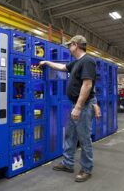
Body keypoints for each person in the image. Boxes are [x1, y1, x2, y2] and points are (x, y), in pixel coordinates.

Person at [39, 35, 98, 182]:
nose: (68, 47)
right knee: (70, 135)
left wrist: (78, 107)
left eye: (69, 45)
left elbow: (87, 85)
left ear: (76, 45)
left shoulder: (88, 61)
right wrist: (46, 62)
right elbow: (62, 67)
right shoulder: (76, 62)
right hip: (75, 105)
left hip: (82, 106)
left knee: (84, 138)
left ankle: (86, 169)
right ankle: (68, 163)